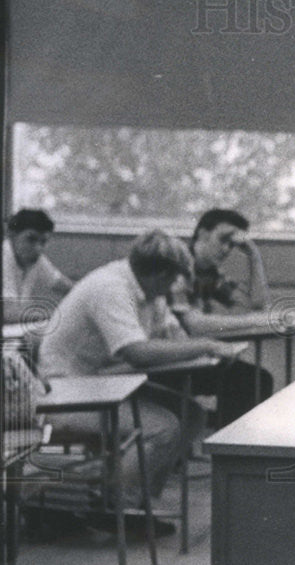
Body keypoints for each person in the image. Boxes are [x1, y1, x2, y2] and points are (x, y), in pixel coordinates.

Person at [37, 230, 236, 527]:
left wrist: (195, 348)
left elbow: (172, 336)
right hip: (63, 392)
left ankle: (135, 500)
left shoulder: (149, 290)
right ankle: (114, 507)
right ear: (159, 273)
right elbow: (137, 353)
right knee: (161, 428)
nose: (174, 287)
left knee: (190, 414)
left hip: (97, 383)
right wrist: (206, 346)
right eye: (172, 279)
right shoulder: (111, 287)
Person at [168, 208, 275, 426]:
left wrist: (253, 255)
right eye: (223, 240)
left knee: (256, 380)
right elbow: (195, 326)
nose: (227, 249)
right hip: (166, 362)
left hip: (191, 358)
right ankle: (230, 449)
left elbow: (257, 304)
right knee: (249, 381)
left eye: (233, 245)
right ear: (203, 233)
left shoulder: (210, 275)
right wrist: (253, 321)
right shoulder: (178, 268)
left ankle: (236, 446)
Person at [2, 209, 72, 322]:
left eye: (43, 242)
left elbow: (66, 286)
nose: (39, 248)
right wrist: (59, 314)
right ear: (12, 235)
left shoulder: (36, 259)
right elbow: (9, 313)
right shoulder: (4, 256)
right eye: (31, 239)